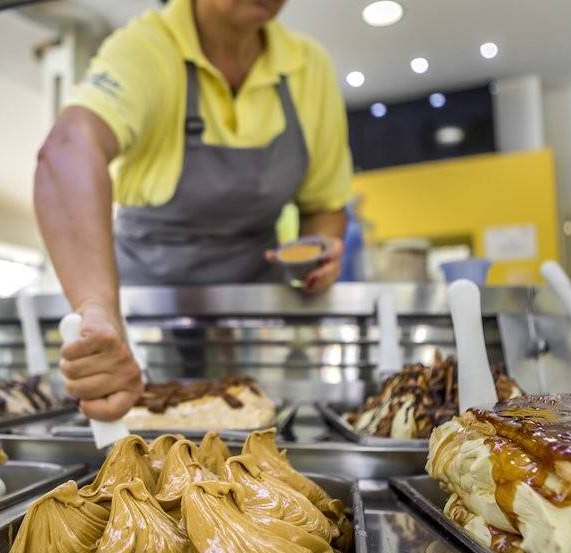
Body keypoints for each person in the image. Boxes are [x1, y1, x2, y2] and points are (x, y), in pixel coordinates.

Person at [34, 0, 354, 421]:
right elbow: (68, 149)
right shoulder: (149, 46)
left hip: (251, 329)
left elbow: (324, 205)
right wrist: (98, 313)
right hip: (142, 325)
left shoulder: (308, 66)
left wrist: (317, 251)